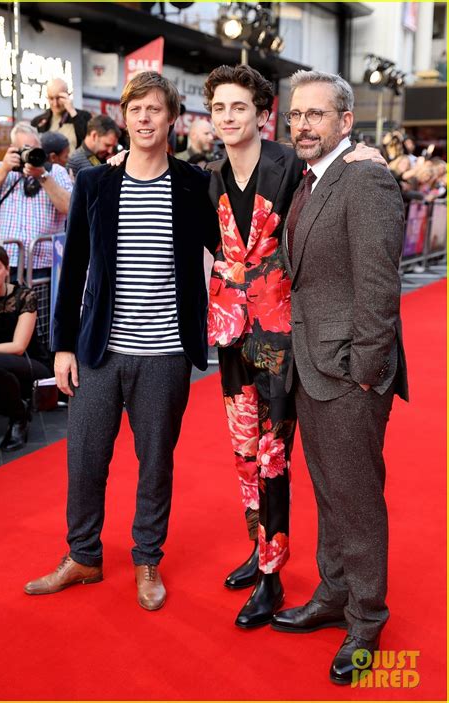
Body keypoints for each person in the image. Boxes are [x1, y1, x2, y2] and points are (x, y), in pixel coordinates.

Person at [23, 72, 220, 611]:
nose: (145, 118)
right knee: (85, 457)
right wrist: (62, 346)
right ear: (125, 116)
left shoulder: (192, 183)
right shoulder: (96, 183)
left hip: (166, 353)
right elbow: (75, 269)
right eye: (136, 108)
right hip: (99, 353)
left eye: (156, 109)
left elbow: (228, 242)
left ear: (171, 118)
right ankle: (82, 555)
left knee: (155, 461)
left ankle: (147, 559)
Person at [202, 64, 385, 630]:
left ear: (263, 114)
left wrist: (372, 152)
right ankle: (262, 550)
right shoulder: (208, 176)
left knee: (274, 458)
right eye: (219, 109)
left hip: (285, 342)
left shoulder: (291, 166)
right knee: (243, 453)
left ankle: (275, 575)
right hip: (235, 338)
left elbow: (343, 169)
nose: (229, 118)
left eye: (240, 108)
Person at [269, 70, 408, 685]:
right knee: (328, 492)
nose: (302, 125)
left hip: (349, 372)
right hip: (311, 363)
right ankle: (333, 593)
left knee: (354, 498)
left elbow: (380, 286)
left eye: (316, 115)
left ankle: (366, 616)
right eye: (296, 115)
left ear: (345, 122)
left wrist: (365, 371)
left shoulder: (366, 179)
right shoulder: (310, 179)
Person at [0, 243, 53, 451]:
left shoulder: (24, 296)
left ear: (7, 270)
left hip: (33, 366)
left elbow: (19, 347)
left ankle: (19, 418)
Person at [0, 122, 73, 279]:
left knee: (40, 304)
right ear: (12, 148)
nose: (29, 154)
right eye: (24, 149)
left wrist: (42, 176)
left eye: (34, 149)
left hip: (43, 263)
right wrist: (4, 169)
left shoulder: (56, 172)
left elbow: (69, 207)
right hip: (0, 262)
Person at [31, 78, 91, 154]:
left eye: (59, 98)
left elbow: (88, 141)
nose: (55, 104)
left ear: (68, 95)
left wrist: (72, 112)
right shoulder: (38, 121)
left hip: (75, 164)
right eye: (51, 98)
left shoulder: (84, 116)